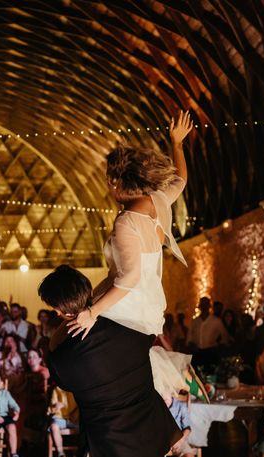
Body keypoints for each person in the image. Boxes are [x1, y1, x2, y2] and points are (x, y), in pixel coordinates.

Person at [66, 111, 194, 398]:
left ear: (114, 181)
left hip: (127, 308)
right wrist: (177, 143)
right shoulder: (158, 201)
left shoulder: (126, 221)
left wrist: (92, 312)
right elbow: (181, 180)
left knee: (75, 351)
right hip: (148, 305)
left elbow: (130, 277)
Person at [39, 265, 181, 457]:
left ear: (62, 311)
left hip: (111, 453)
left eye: (55, 310)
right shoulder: (132, 329)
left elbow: (60, 373)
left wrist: (62, 330)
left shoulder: (64, 358)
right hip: (151, 441)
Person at [162, 391, 198, 457]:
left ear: (171, 395)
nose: (164, 402)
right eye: (162, 400)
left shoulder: (181, 406)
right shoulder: (157, 406)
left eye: (165, 400)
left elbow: (187, 428)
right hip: (161, 440)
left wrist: (180, 440)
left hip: (178, 439)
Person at [188, 297, 231, 365]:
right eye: (203, 305)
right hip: (196, 352)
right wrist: (191, 346)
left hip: (210, 352)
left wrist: (218, 347)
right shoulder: (194, 321)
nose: (204, 307)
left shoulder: (216, 321)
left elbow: (225, 336)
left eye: (206, 304)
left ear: (209, 306)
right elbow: (189, 337)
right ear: (200, 306)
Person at [47, 385, 79, 457]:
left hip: (74, 419)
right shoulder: (57, 389)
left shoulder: (77, 389)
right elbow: (51, 410)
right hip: (60, 418)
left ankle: (85, 456)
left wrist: (75, 414)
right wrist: (56, 407)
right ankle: (61, 455)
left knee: (87, 427)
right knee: (54, 426)